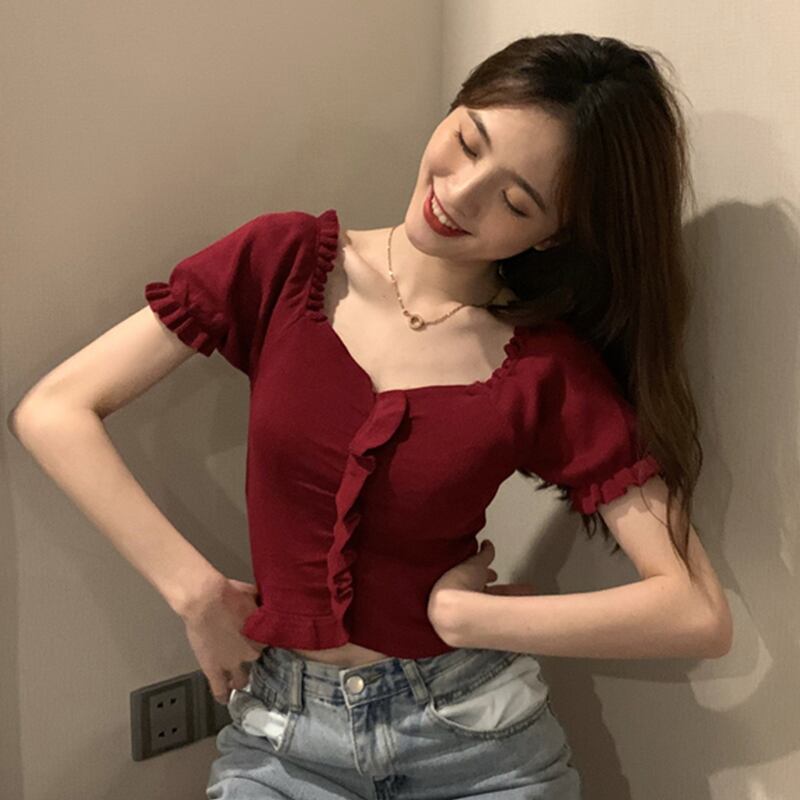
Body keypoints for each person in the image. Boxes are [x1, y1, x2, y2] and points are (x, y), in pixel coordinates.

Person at [9, 33, 731, 799]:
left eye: (516, 201)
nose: (460, 193)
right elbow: (55, 410)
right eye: (467, 141)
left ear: (551, 233)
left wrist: (468, 619)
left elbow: (694, 612)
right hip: (283, 743)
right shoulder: (284, 264)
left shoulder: (543, 368)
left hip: (479, 745)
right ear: (453, 108)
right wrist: (194, 592)